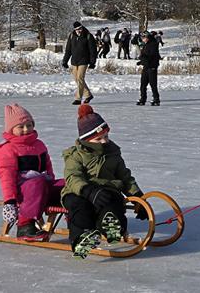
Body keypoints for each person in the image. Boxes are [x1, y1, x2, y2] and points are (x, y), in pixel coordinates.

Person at [61, 105, 149, 259]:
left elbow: (125, 177)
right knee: (79, 206)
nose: (104, 141)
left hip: (107, 189)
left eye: (106, 136)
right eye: (98, 138)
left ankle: (112, 228)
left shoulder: (113, 153)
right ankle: (81, 239)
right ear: (87, 140)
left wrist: (138, 197)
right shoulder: (76, 155)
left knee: (113, 201)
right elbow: (72, 177)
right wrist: (87, 190)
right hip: (79, 192)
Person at [0, 104, 64, 242]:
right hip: (23, 191)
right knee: (37, 182)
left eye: (29, 125)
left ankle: (79, 222)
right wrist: (10, 201)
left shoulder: (39, 144)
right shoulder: (7, 149)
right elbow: (6, 177)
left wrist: (52, 184)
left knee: (69, 183)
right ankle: (24, 225)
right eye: (21, 126)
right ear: (11, 129)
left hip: (42, 186)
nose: (26, 129)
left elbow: (48, 167)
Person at [62, 21, 97, 105]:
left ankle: (78, 98)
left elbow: (93, 50)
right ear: (75, 30)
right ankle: (88, 95)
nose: (79, 30)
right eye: (77, 29)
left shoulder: (88, 36)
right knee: (76, 79)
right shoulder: (71, 36)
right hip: (74, 61)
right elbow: (68, 50)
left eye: (80, 28)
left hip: (84, 61)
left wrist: (92, 62)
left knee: (80, 78)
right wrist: (65, 61)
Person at [136, 30, 161, 106]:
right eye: (142, 38)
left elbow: (152, 56)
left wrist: (143, 58)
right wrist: (141, 62)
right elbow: (145, 55)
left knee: (153, 84)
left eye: (144, 37)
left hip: (152, 66)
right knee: (143, 84)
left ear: (147, 37)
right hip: (146, 66)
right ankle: (143, 99)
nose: (143, 39)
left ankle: (156, 99)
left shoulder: (153, 44)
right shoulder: (146, 44)